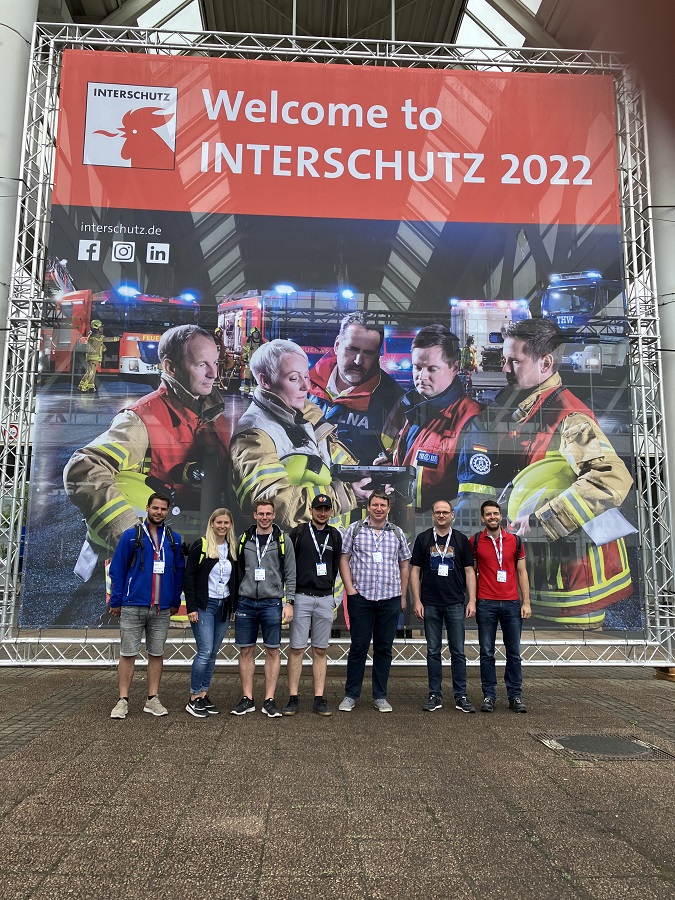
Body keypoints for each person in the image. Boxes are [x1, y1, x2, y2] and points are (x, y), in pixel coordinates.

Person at [461, 318, 634, 628]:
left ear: (545, 363)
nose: (505, 369)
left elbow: (611, 479)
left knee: (570, 655)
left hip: (572, 586)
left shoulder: (570, 417)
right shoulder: (529, 406)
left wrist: (543, 520)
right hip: (543, 577)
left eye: (515, 361)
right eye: (504, 360)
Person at [64, 324, 230, 580]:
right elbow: (84, 468)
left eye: (215, 363)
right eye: (201, 365)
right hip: (141, 567)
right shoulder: (143, 419)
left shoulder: (214, 416)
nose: (213, 374)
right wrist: (134, 542)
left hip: (194, 554)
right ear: (170, 367)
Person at [230, 339, 371, 529]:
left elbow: (338, 465)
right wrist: (347, 494)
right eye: (294, 378)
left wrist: (370, 476)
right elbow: (274, 505)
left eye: (306, 376)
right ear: (265, 381)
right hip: (285, 545)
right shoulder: (254, 435)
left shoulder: (308, 416)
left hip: (325, 540)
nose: (307, 386)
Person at [392, 325, 484, 512]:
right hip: (404, 522)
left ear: (455, 367)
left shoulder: (471, 419)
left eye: (432, 369)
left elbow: (472, 502)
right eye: (417, 367)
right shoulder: (414, 409)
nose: (422, 376)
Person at [109, 493, 184, 719]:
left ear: (167, 511)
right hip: (133, 605)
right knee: (128, 653)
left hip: (161, 609)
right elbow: (117, 569)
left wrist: (175, 600)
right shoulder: (132, 535)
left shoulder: (174, 539)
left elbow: (179, 571)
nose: (159, 512)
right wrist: (116, 600)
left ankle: (152, 699)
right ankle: (122, 700)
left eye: (163, 509)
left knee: (157, 653)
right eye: (155, 508)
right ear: (147, 508)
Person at [339, 491, 411, 713]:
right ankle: (351, 695)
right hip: (361, 598)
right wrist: (350, 589)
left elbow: (404, 565)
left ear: (388, 508)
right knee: (358, 648)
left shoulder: (397, 533)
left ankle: (380, 696)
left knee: (384, 649)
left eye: (383, 505)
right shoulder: (355, 529)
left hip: (389, 599)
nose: (379, 509)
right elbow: (344, 558)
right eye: (375, 505)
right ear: (368, 507)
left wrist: (402, 595)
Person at [308, 311, 405, 464]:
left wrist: (390, 465)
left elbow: (397, 459)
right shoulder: (304, 386)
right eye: (352, 349)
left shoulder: (394, 400)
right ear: (337, 345)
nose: (358, 361)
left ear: (377, 355)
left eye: (368, 353)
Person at [231, 498, 296, 718]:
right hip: (246, 601)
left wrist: (289, 602)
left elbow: (291, 573)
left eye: (269, 514)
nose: (265, 517)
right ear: (255, 515)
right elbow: (237, 571)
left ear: (274, 515)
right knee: (245, 650)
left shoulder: (283, 540)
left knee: (272, 650)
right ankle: (247, 698)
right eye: (261, 514)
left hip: (272, 602)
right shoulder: (244, 539)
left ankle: (269, 699)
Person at [410, 499, 477, 714]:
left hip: (455, 603)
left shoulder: (460, 539)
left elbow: (469, 571)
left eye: (445, 512)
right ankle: (434, 694)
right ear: (432, 515)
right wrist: (417, 600)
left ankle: (461, 695)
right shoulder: (423, 539)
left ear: (452, 515)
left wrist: (472, 600)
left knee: (458, 651)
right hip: (430, 603)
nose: (441, 515)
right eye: (438, 512)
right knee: (433, 651)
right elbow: (414, 571)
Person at [283, 494, 343, 717]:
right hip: (302, 597)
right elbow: (289, 566)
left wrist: (332, 595)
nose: (322, 513)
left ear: (331, 511)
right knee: (297, 649)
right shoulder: (298, 532)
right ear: (311, 510)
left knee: (320, 649)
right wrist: (289, 599)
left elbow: (336, 566)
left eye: (326, 509)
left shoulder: (335, 535)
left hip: (325, 598)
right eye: (319, 509)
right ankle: (293, 697)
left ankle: (319, 698)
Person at [473, 500, 530, 713]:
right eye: (488, 514)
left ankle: (515, 696)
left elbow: (522, 572)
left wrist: (526, 602)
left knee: (514, 653)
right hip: (486, 602)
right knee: (486, 652)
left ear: (501, 516)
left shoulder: (515, 541)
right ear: (482, 518)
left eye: (495, 513)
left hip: (512, 604)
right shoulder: (475, 541)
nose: (492, 517)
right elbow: (471, 573)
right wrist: (472, 600)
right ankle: (489, 696)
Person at [183, 507, 239, 718]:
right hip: (204, 607)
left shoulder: (232, 548)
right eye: (219, 522)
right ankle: (193, 697)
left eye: (226, 522)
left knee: (213, 653)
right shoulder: (202, 545)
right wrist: (191, 607)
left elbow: (234, 581)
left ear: (230, 525)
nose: (222, 526)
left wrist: (232, 606)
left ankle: (203, 695)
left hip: (223, 607)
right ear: (212, 524)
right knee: (204, 651)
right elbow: (189, 578)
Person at [77, 319, 119, 393]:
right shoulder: (97, 336)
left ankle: (91, 386)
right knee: (90, 372)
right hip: (94, 357)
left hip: (92, 357)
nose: (101, 329)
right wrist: (117, 338)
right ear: (96, 327)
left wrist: (103, 348)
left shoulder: (93, 335)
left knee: (92, 373)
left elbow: (99, 344)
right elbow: (107, 339)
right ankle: (82, 386)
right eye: (100, 327)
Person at [240, 325, 263, 395]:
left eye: (257, 333)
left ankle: (256, 393)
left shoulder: (262, 343)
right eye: (254, 333)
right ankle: (246, 393)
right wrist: (245, 359)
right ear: (251, 334)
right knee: (247, 379)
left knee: (256, 380)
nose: (256, 335)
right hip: (249, 364)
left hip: (258, 365)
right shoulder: (248, 343)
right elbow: (244, 352)